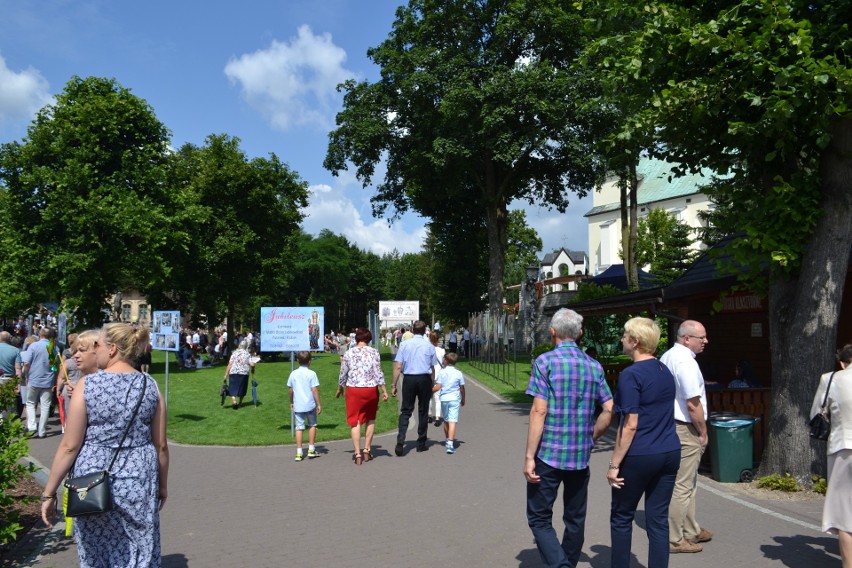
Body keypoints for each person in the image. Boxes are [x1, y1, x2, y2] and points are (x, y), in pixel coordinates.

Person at [40, 322, 169, 567]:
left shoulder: (87, 386)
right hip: (138, 478)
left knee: (96, 548)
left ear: (111, 349)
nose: (93, 350)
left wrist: (49, 492)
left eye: (96, 344)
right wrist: (162, 485)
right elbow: (161, 445)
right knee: (139, 547)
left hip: (91, 482)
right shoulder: (149, 385)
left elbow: (69, 445)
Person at [524, 308, 614, 568]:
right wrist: (591, 436)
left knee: (539, 517)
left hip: (548, 454)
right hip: (579, 455)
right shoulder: (593, 366)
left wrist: (529, 456)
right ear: (580, 333)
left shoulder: (545, 362)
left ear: (552, 332)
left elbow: (539, 410)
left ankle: (560, 564)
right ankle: (568, 562)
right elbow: (609, 408)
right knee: (575, 518)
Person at [608, 317, 681, 568]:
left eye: (625, 335)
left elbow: (629, 425)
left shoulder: (631, 374)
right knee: (658, 519)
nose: (622, 339)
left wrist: (614, 463)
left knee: (621, 516)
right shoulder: (664, 370)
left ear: (635, 341)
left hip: (640, 454)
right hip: (670, 450)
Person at [660, 320, 712, 553]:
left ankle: (690, 529)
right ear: (686, 338)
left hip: (671, 424)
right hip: (685, 426)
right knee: (683, 484)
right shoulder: (686, 362)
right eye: (701, 337)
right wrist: (703, 431)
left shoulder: (668, 356)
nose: (705, 341)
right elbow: (693, 403)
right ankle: (674, 538)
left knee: (687, 481)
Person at [810, 344, 852, 567]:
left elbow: (816, 413)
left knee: (845, 514)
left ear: (843, 362)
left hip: (844, 448)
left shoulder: (831, 379)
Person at [337, 328, 388, 464]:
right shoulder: (374, 352)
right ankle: (367, 449)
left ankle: (357, 454)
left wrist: (340, 387)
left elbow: (343, 373)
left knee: (355, 421)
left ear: (356, 339)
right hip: (370, 389)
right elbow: (378, 372)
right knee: (370, 418)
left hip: (353, 389)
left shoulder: (348, 353)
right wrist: (383, 389)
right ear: (369, 339)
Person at [392, 320, 438, 456]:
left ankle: (401, 439)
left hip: (409, 378)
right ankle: (421, 442)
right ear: (425, 331)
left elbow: (398, 366)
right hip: (424, 378)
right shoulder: (429, 346)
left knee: (406, 410)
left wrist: (394, 384)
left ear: (412, 330)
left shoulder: (405, 344)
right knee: (423, 410)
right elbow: (432, 366)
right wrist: (433, 382)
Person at [21, 327, 59, 438]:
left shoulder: (33, 346)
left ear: (40, 335)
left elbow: (27, 363)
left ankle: (32, 426)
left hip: (34, 378)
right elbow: (55, 366)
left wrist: (27, 375)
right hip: (48, 380)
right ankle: (42, 431)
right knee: (45, 405)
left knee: (30, 403)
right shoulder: (54, 348)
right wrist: (54, 379)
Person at [288, 351, 322, 462]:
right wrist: (319, 403)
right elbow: (314, 389)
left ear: (297, 361)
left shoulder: (293, 374)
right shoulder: (312, 374)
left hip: (298, 404)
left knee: (299, 427)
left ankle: (299, 452)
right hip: (310, 404)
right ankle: (311, 449)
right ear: (310, 361)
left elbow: (290, 390)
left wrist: (291, 402)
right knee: (312, 424)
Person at [432, 352, 465, 454]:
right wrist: (463, 398)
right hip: (455, 399)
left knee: (446, 420)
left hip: (444, 399)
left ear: (446, 361)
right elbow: (462, 388)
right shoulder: (459, 373)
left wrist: (430, 391)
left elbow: (438, 386)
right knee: (452, 421)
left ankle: (448, 439)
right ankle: (450, 443)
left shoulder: (442, 372)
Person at [223, 339, 255, 409]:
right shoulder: (248, 354)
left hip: (233, 372)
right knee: (242, 388)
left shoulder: (234, 353)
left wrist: (226, 375)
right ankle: (240, 403)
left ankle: (234, 400)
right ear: (246, 346)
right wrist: (253, 369)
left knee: (232, 387)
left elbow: (230, 364)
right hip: (244, 373)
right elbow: (252, 365)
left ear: (239, 345)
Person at [0, 331, 22, 420]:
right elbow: (18, 369)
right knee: (10, 406)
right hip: (10, 380)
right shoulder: (15, 350)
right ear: (9, 339)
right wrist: (18, 384)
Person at [428, 331, 446, 426]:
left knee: (429, 396)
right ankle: (438, 417)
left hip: (429, 374)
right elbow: (443, 363)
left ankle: (429, 415)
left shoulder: (427, 349)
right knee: (438, 397)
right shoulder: (442, 351)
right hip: (439, 375)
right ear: (438, 340)